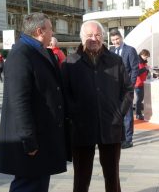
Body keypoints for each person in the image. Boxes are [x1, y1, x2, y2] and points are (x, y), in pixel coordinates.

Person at [0, 12, 68, 192]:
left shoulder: (40, 51)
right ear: (40, 31)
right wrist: (28, 140)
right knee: (27, 185)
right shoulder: (21, 54)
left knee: (38, 184)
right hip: (31, 140)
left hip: (43, 136)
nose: (53, 32)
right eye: (51, 28)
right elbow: (18, 100)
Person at [61, 20, 133, 192]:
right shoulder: (70, 63)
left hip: (111, 127)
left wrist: (118, 114)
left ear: (103, 37)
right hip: (81, 128)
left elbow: (128, 90)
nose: (94, 38)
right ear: (81, 38)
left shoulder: (115, 61)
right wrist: (76, 114)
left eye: (98, 35)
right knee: (81, 177)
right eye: (89, 35)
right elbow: (64, 94)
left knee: (112, 176)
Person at [109, 29, 139, 149]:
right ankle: (119, 137)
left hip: (126, 88)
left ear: (121, 38)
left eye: (117, 39)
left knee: (127, 114)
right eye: (113, 40)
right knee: (117, 113)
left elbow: (135, 69)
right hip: (113, 88)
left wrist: (130, 86)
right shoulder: (111, 50)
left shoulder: (130, 50)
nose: (115, 42)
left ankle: (128, 139)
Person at [135, 49, 150, 120]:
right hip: (138, 83)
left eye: (147, 57)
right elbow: (137, 72)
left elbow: (145, 72)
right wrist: (145, 69)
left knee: (140, 98)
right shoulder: (138, 62)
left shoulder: (144, 62)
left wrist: (147, 70)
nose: (146, 58)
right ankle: (138, 114)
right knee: (139, 99)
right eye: (146, 57)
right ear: (142, 55)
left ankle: (139, 112)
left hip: (142, 82)